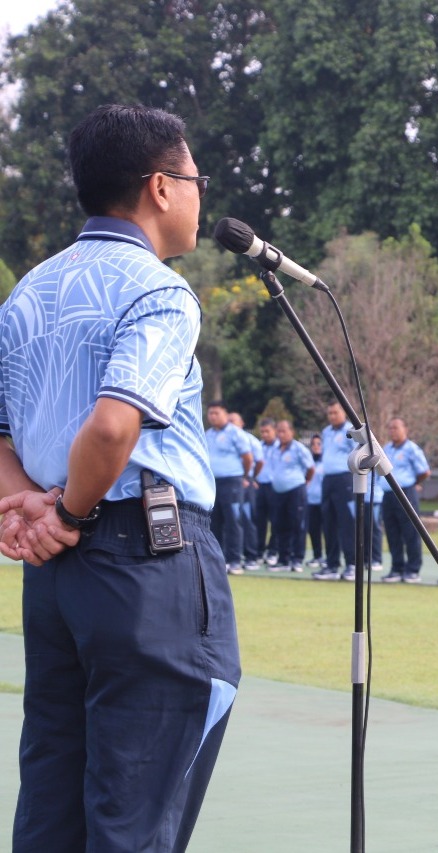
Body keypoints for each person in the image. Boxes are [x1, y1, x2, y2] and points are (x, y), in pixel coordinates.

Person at [0, 103, 240, 850]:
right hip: (145, 561)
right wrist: (68, 512)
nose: (199, 195)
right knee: (136, 813)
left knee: (53, 804)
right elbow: (112, 426)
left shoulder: (28, 293)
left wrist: (27, 508)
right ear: (161, 187)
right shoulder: (158, 290)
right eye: (196, 180)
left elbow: (3, 433)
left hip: (55, 577)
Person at [380, 417, 431, 583]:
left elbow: (424, 471)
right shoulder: (387, 448)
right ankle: (397, 568)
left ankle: (413, 569)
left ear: (405, 429)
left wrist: (413, 483)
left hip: (406, 492)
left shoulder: (412, 449)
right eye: (390, 428)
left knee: (411, 532)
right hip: (389, 494)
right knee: (392, 532)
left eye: (396, 428)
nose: (392, 431)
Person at [206, 400, 254, 573]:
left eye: (216, 413)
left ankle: (235, 560)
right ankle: (218, 560)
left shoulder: (235, 433)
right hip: (213, 483)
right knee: (214, 522)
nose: (213, 416)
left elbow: (248, 457)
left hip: (232, 481)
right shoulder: (208, 434)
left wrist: (244, 475)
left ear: (225, 414)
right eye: (210, 413)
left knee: (233, 520)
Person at [314, 400, 359, 581]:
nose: (332, 416)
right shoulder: (326, 431)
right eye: (330, 413)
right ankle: (332, 565)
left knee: (347, 522)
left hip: (344, 479)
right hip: (328, 480)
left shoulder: (351, 430)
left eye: (335, 412)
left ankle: (352, 564)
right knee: (329, 522)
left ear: (344, 413)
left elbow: (359, 454)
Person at [270, 419, 315, 571]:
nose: (280, 434)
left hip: (295, 490)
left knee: (297, 525)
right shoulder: (275, 449)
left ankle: (297, 559)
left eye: (284, 431)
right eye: (278, 431)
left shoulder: (298, 449)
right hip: (278, 492)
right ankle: (283, 559)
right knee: (280, 525)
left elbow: (310, 468)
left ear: (291, 432)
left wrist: (305, 480)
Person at [229, 411, 262, 569]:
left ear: (242, 423)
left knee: (247, 519)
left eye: (234, 421)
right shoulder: (225, 439)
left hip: (245, 485)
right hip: (231, 485)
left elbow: (259, 461)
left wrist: (250, 478)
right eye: (229, 421)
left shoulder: (250, 440)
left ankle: (251, 556)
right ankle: (231, 554)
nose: (231, 424)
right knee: (231, 519)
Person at [255, 417, 280, 566]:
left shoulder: (281, 446)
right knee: (259, 521)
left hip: (275, 487)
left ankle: (273, 551)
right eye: (262, 432)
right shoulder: (258, 446)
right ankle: (260, 551)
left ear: (274, 431)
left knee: (275, 521)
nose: (264, 434)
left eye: (267, 431)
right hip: (260, 486)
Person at [304, 434, 325, 568]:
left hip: (324, 500)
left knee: (328, 530)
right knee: (313, 530)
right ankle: (317, 556)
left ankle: (330, 558)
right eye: (313, 444)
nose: (316, 446)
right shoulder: (309, 462)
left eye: (318, 444)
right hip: (311, 501)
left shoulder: (326, 462)